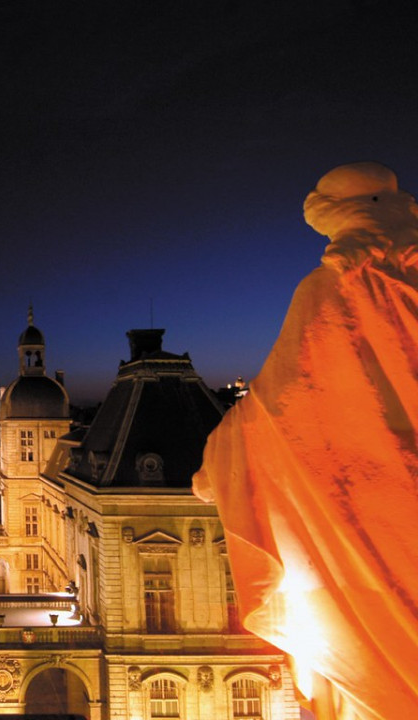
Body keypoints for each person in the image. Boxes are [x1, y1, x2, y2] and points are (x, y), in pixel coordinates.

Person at [194, 162, 418, 720]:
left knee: (375, 670)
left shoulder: (332, 289)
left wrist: (215, 463)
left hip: (365, 521)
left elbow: (279, 406)